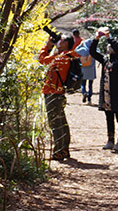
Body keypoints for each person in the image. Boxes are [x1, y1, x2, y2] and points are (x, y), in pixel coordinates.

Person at [38, 27, 80, 161]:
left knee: (55, 123)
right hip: (59, 93)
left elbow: (42, 60)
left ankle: (59, 151)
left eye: (60, 41)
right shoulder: (69, 56)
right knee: (62, 122)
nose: (58, 42)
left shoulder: (61, 58)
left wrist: (47, 46)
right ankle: (64, 149)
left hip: (52, 93)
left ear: (66, 43)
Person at [89, 27, 118, 151]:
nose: (109, 47)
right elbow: (93, 52)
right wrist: (96, 39)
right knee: (109, 117)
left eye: (111, 46)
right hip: (107, 95)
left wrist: (109, 38)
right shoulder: (106, 60)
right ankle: (110, 140)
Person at [75, 37, 96, 104]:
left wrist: (81, 45)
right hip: (91, 71)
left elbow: (76, 50)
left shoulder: (83, 49)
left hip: (83, 70)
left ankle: (84, 92)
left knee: (83, 84)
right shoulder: (93, 50)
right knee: (90, 85)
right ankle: (89, 99)